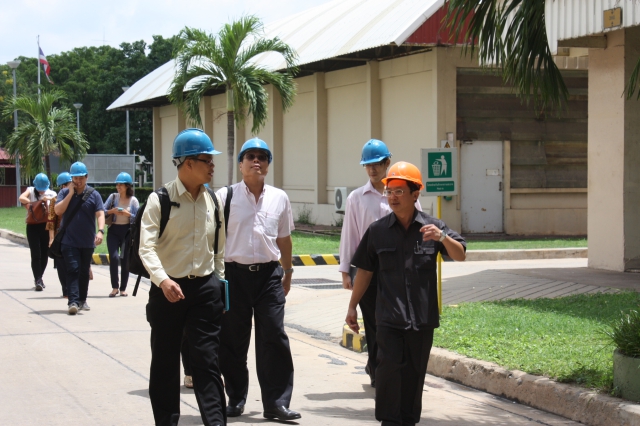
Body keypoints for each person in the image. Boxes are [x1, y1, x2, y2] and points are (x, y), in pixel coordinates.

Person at [345, 161, 466, 426]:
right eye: (389, 191)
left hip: (422, 320)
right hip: (389, 319)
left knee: (413, 378)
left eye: (399, 191)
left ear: (415, 194)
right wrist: (352, 306)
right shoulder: (377, 231)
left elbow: (460, 255)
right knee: (387, 373)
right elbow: (364, 271)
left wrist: (442, 238)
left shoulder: (433, 228)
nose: (392, 197)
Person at [139, 128, 226, 426]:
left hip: (204, 291)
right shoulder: (159, 200)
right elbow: (146, 248)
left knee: (207, 362)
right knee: (165, 362)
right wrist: (163, 280)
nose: (212, 165)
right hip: (167, 291)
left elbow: (219, 250)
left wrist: (218, 285)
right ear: (188, 163)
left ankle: (216, 422)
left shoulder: (213, 200)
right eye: (207, 160)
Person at [216, 138, 300, 422]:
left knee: (274, 336)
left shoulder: (279, 198)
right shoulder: (225, 197)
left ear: (267, 164)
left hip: (269, 277)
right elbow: (211, 238)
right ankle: (236, 398)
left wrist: (287, 272)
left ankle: (276, 403)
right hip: (233, 277)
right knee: (232, 341)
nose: (256, 161)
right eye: (250, 156)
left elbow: (284, 239)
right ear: (240, 164)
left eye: (262, 157)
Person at [339, 139, 421, 388]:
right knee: (375, 324)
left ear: (387, 163)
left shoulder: (403, 193)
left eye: (376, 164)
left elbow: (417, 226)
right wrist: (346, 270)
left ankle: (388, 368)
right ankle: (377, 371)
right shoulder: (356, 198)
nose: (372, 169)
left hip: (399, 272)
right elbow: (349, 235)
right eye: (368, 165)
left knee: (397, 323)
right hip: (368, 272)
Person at [54, 162, 105, 315]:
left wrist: (100, 231)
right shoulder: (64, 193)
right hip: (68, 241)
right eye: (75, 178)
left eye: (81, 178)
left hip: (87, 242)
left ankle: (82, 300)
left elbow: (100, 213)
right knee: (73, 269)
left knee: (83, 272)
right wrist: (70, 194)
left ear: (86, 177)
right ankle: (73, 302)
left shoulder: (94, 194)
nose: (78, 181)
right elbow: (58, 211)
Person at [103, 172, 139, 297]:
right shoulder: (113, 197)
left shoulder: (133, 201)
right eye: (117, 184)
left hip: (126, 232)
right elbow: (102, 211)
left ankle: (123, 288)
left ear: (127, 186)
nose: (118, 187)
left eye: (121, 185)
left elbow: (138, 218)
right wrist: (112, 211)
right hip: (113, 231)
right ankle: (115, 287)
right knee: (113, 258)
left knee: (125, 260)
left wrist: (128, 214)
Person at [19, 173, 57, 291]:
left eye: (43, 189)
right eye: (39, 189)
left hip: (46, 226)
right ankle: (38, 279)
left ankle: (39, 277)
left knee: (44, 253)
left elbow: (55, 208)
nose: (41, 191)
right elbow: (21, 198)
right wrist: (36, 202)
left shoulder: (52, 194)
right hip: (32, 226)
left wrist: (48, 199)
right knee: (35, 254)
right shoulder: (30, 191)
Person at [47, 172, 71, 297]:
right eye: (68, 184)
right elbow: (51, 220)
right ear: (63, 186)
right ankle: (66, 290)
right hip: (60, 235)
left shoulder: (77, 198)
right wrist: (52, 238)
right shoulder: (55, 201)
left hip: (74, 235)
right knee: (61, 263)